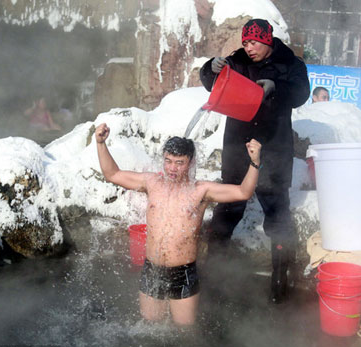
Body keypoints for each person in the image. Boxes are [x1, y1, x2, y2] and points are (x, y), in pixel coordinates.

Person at [95, 122, 262, 325]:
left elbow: (243, 192)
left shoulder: (201, 191)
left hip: (182, 272)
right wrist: (100, 143)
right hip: (152, 269)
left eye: (179, 163)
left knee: (185, 333)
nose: (172, 168)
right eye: (168, 161)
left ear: (190, 162)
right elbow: (113, 174)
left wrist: (254, 162)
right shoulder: (152, 183)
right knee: (149, 328)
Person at [199, 19, 310, 304]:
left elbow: (301, 93)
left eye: (254, 42)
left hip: (273, 147)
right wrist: (209, 69)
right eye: (245, 42)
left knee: (278, 214)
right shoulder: (237, 61)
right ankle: (215, 274)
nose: (248, 48)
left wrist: (276, 87)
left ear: (268, 40)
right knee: (227, 210)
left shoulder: (290, 63)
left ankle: (281, 279)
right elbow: (216, 87)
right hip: (239, 147)